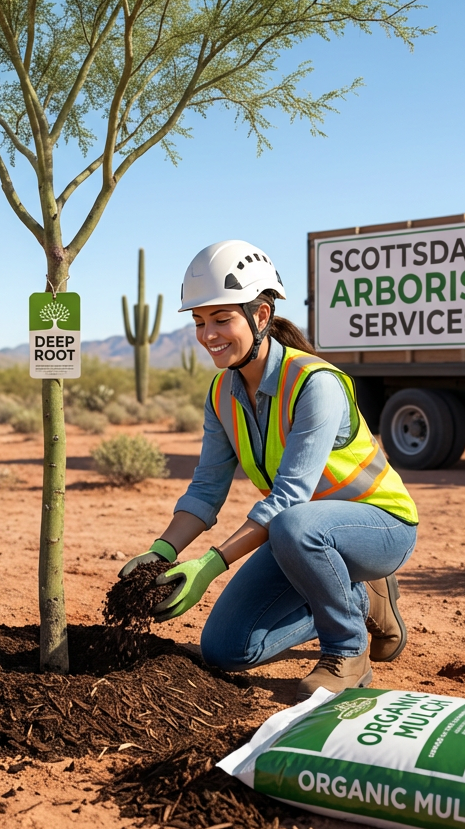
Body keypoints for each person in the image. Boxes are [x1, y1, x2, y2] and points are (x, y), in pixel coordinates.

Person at [119, 240, 418, 700]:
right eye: (199, 322)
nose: (208, 335)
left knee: (295, 524)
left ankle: (347, 648)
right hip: (301, 538)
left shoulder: (314, 384)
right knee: (225, 649)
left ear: (260, 316)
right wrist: (162, 550)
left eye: (222, 319)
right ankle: (359, 598)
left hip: (378, 527)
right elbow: (205, 490)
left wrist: (210, 565)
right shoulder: (222, 393)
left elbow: (289, 500)